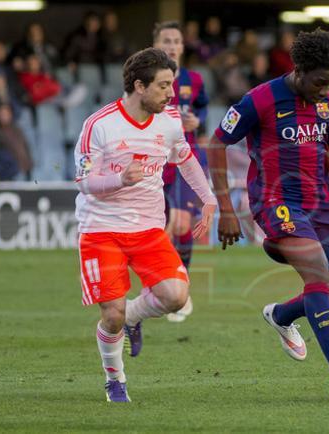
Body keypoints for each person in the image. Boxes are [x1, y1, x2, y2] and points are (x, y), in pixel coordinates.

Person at [208, 29, 329, 399]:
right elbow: (216, 142)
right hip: (275, 199)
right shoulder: (260, 99)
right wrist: (227, 210)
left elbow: (328, 148)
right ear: (299, 70)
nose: (326, 90)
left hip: (320, 203)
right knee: (315, 265)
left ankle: (281, 315)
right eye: (320, 82)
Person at [74, 48, 217, 402]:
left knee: (175, 295)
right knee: (112, 316)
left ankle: (135, 318)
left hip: (149, 230)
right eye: (164, 85)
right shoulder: (100, 124)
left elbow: (185, 159)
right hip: (101, 230)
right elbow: (83, 181)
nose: (171, 93)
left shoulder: (169, 122)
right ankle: (115, 379)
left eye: (171, 84)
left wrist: (209, 198)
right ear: (139, 86)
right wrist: (119, 180)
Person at [152, 21, 210, 322]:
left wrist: (198, 121)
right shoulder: (144, 79)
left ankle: (181, 287)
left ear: (182, 47)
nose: (172, 45)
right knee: (160, 229)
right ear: (156, 44)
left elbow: (202, 106)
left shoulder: (194, 79)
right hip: (155, 159)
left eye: (176, 40)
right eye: (166, 40)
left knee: (184, 221)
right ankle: (160, 286)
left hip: (186, 158)